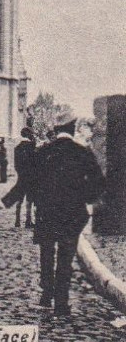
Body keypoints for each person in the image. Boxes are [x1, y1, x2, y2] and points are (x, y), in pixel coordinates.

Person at [32, 117, 105, 317]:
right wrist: (84, 198)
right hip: (72, 214)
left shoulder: (43, 152)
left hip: (47, 213)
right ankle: (61, 304)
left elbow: (31, 182)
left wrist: (39, 201)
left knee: (46, 253)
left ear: (55, 132)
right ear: (72, 130)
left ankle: (46, 294)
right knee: (65, 256)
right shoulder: (82, 152)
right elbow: (99, 182)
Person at [0, 127, 37, 227]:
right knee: (29, 199)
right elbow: (35, 163)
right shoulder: (32, 146)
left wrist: (20, 173)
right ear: (29, 134)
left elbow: (16, 164)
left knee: (19, 198)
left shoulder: (17, 148)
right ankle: (28, 221)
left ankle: (17, 220)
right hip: (30, 176)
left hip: (21, 176)